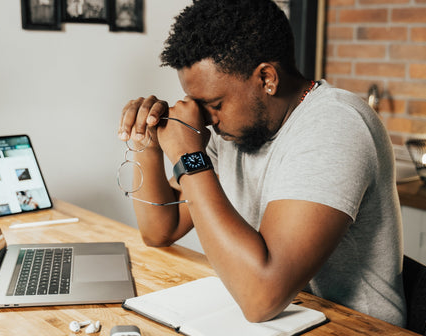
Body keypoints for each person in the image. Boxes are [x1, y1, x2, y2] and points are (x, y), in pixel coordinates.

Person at [117, 0, 406, 326]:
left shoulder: (335, 124)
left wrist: (190, 158)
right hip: (275, 320)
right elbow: (160, 229)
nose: (207, 121)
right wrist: (147, 143)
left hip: (355, 328)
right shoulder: (238, 131)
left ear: (267, 78)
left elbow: (261, 298)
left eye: (214, 104)